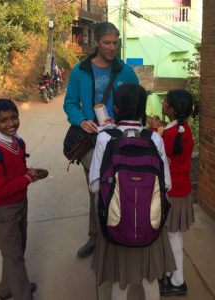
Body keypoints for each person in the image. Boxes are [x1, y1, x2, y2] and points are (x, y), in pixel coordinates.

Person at [89, 83, 176, 300]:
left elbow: (94, 185)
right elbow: (167, 185)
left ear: (115, 109)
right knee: (150, 280)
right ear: (143, 108)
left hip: (116, 223)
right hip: (150, 223)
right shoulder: (154, 138)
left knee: (121, 281)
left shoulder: (105, 138)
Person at [64, 22, 139, 258]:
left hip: (121, 141)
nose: (112, 47)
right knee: (96, 192)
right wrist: (81, 120)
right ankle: (96, 239)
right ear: (96, 42)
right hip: (92, 142)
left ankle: (121, 236)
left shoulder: (126, 71)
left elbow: (137, 101)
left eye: (115, 43)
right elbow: (70, 103)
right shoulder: (80, 70)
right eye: (107, 42)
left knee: (121, 189)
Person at [0, 99, 48, 300]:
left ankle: (6, 289)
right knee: (14, 255)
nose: (11, 123)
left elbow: (16, 173)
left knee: (16, 248)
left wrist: (29, 173)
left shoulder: (18, 142)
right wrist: (27, 178)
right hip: (3, 210)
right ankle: (22, 294)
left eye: (14, 117)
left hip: (20, 203)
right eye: (3, 120)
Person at [151, 89, 195, 296]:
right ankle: (172, 274)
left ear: (171, 109)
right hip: (183, 189)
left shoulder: (169, 135)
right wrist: (159, 128)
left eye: (165, 101)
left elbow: (157, 154)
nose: (162, 102)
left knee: (173, 237)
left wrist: (153, 130)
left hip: (172, 193)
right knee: (173, 236)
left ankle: (177, 281)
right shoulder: (183, 129)